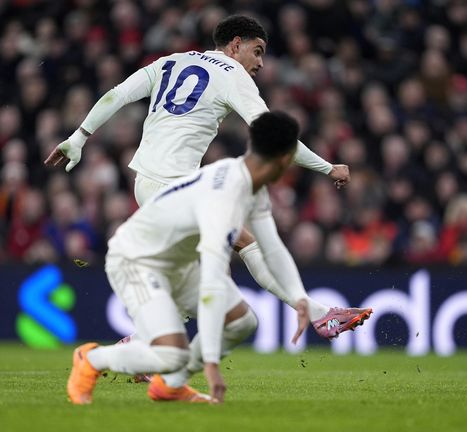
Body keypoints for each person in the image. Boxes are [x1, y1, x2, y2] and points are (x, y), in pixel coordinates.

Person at [45, 14, 370, 343]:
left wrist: (79, 137)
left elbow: (118, 94)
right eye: (256, 51)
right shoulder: (232, 75)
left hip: (148, 181)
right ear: (235, 45)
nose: (259, 62)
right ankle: (319, 315)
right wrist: (328, 167)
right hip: (173, 183)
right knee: (245, 242)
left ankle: (141, 343)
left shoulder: (171, 61)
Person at [68, 112, 330, 404]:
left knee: (243, 322)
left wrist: (299, 298)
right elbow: (212, 281)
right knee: (171, 353)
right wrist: (211, 366)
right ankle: (91, 358)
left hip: (176, 262)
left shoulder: (247, 180)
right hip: (137, 259)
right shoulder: (225, 195)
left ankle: (170, 386)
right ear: (285, 159)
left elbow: (273, 248)